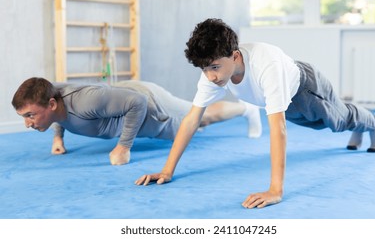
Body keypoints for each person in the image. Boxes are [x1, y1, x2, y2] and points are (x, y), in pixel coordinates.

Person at [135, 18, 375, 209]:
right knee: (324, 125)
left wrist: (275, 190)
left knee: (338, 121)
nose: (210, 76)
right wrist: (167, 170)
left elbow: (278, 128)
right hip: (288, 99)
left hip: (306, 89)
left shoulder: (266, 65)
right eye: (204, 68)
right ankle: (359, 127)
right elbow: (192, 120)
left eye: (214, 67)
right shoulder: (213, 74)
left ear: (234, 56)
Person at [11, 77, 262, 165]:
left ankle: (245, 109)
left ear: (51, 105)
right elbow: (57, 114)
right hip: (121, 98)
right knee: (199, 119)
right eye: (24, 117)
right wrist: (58, 138)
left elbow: (137, 102)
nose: (28, 123)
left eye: (30, 116)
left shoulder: (86, 101)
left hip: (147, 100)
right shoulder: (51, 98)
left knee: (202, 118)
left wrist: (123, 146)